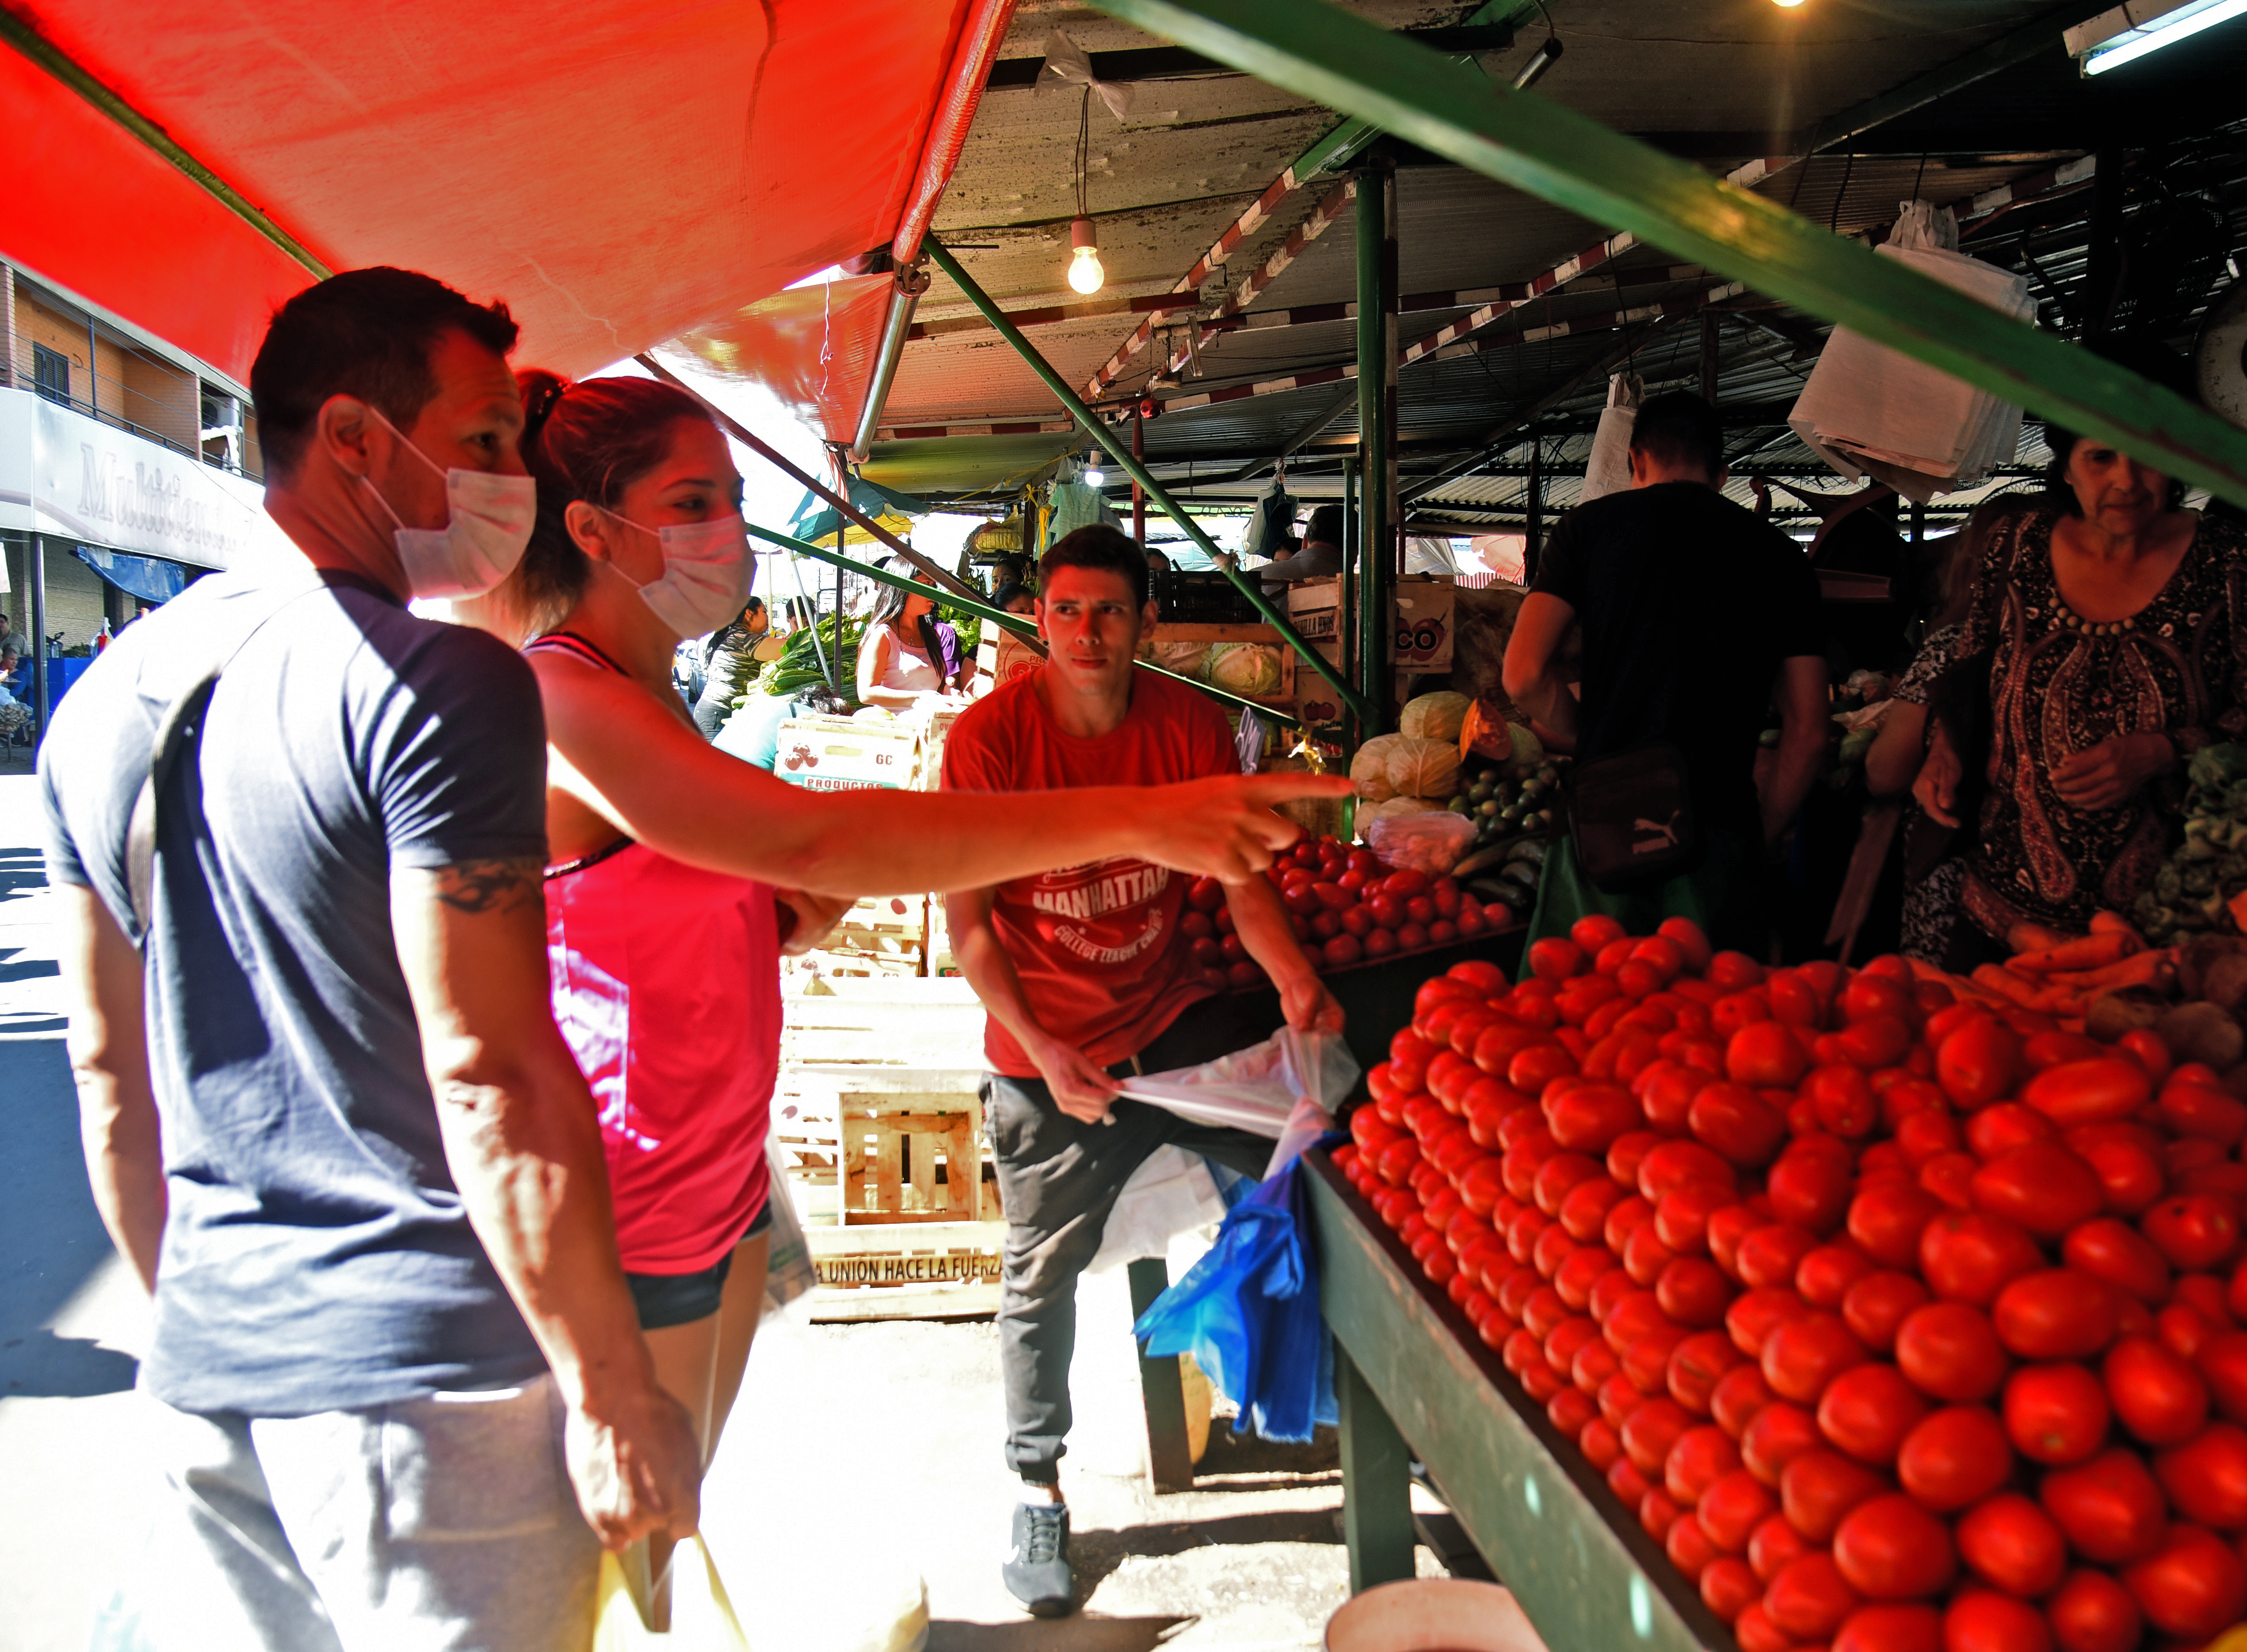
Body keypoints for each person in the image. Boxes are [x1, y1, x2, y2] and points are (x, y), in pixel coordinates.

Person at [457, 382, 1352, 1609]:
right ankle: (1035, 1486)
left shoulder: (653, 698)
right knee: (587, 1571)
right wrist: (1145, 819)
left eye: (731, 498)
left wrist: (810, 896)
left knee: (647, 1561)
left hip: (703, 1187)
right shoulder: (559, 695)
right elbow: (817, 850)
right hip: (618, 1203)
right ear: (592, 529)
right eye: (692, 501)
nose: (730, 529)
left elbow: (772, 898)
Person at [38, 269, 703, 1652]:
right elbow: (495, 1074)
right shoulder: (438, 684)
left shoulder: (100, 707)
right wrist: (610, 1386)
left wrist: (225, 1322)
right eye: (479, 441)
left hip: (213, 1378)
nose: (510, 477)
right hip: (436, 1392)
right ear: (351, 436)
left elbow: (113, 1086)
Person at [940, 524, 1344, 1619]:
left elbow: (1240, 878)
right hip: (1041, 1054)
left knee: (1312, 1160)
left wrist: (1296, 980)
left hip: (1168, 1016)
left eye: (1109, 611)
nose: (1086, 631)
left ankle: (1318, 1398)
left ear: (1144, 622)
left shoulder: (1188, 727)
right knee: (1040, 1271)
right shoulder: (989, 742)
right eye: (1066, 610)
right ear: (1039, 622)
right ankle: (1035, 1479)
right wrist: (1038, 1043)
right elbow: (967, 925)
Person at [1917, 363, 2247, 948]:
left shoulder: (2228, 561)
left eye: (2147, 455)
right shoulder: (2014, 544)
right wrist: (1944, 747)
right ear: (2066, 465)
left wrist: (2164, 750)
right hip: (2000, 915)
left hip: (2170, 932)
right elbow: (1969, 669)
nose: (2127, 479)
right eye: (2101, 458)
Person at [1502, 391, 1827, 954]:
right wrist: (1758, 831)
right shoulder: (1780, 557)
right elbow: (1809, 729)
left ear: (1635, 461)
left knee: (1582, 1015)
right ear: (1723, 474)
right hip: (1718, 828)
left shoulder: (1587, 530)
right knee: (1707, 1026)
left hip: (1604, 825)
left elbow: (1524, 676)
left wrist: (1590, 735)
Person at [858, 555, 972, 709]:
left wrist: (948, 692)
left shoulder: (932, 635)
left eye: (933, 585)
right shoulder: (883, 635)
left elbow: (933, 689)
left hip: (928, 726)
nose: (932, 591)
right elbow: (867, 693)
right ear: (903, 586)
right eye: (926, 584)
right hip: (894, 728)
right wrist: (920, 697)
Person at [691, 595, 768, 738]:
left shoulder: (737, 634)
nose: (767, 617)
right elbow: (784, 650)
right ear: (749, 614)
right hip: (716, 715)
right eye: (764, 612)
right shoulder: (744, 639)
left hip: (717, 712)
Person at [1256, 503, 1344, 593]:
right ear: (1355, 552)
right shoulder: (1352, 586)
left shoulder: (1252, 580)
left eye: (1287, 561)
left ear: (1305, 542)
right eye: (1276, 562)